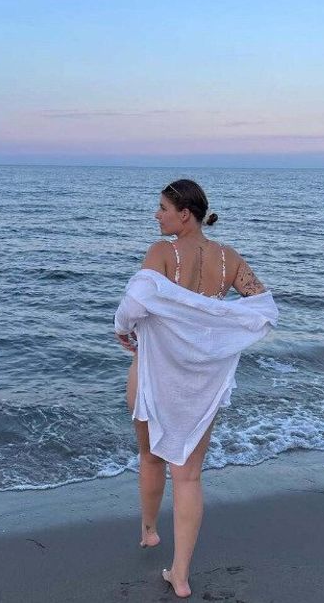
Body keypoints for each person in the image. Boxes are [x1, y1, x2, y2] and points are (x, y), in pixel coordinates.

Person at [113, 179, 278, 599]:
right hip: (203, 381)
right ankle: (181, 575)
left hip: (153, 372)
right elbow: (263, 307)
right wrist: (218, 329)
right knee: (188, 476)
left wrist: (123, 330)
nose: (157, 215)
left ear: (184, 213)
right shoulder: (229, 258)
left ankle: (149, 532)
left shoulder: (161, 252)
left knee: (150, 457)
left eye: (162, 208)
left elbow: (133, 303)